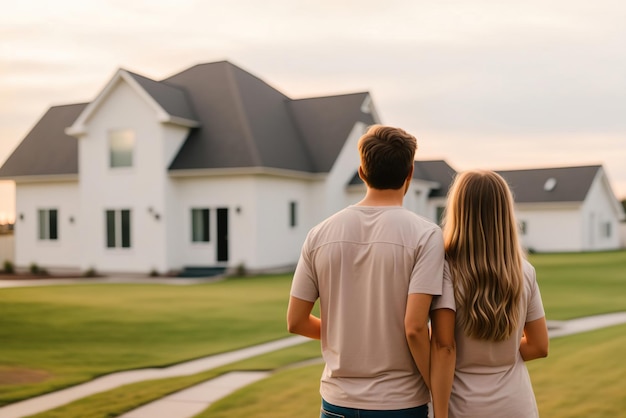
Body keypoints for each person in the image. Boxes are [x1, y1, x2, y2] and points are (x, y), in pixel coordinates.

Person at [287, 125, 445, 418]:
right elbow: (415, 328)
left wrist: (347, 335)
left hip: (337, 403)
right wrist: (437, 390)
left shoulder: (319, 234)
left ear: (361, 172)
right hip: (400, 404)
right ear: (410, 172)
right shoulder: (426, 235)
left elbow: (296, 321)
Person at [432, 170, 549, 418]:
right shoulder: (524, 271)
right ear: (505, 213)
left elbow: (445, 347)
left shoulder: (444, 270)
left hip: (462, 408)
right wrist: (501, 358)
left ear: (458, 211)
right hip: (517, 407)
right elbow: (539, 346)